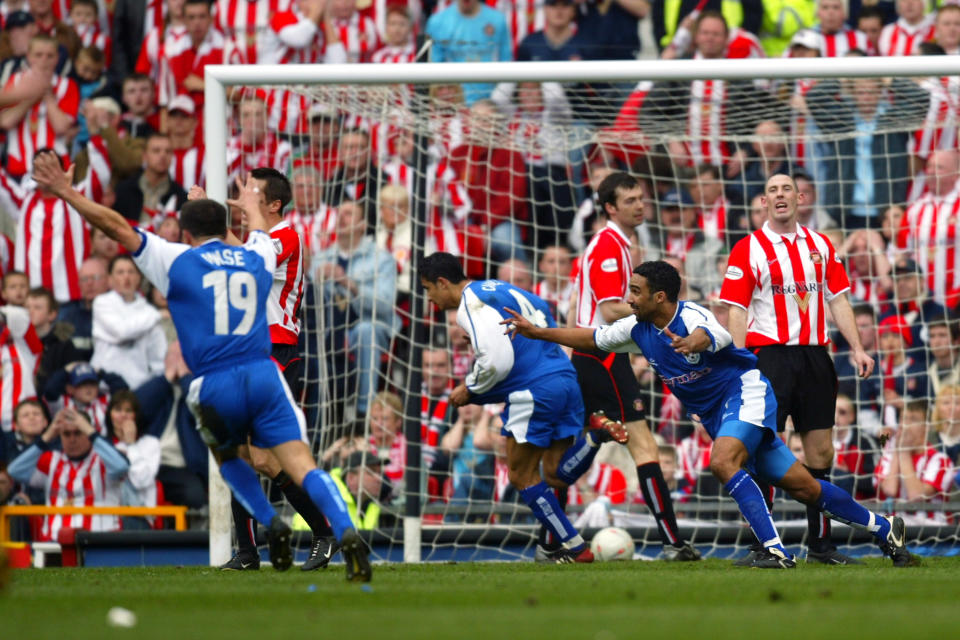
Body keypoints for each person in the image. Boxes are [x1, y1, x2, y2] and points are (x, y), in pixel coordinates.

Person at [31, 151, 371, 581]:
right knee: (272, 459)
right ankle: (284, 541)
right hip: (259, 365)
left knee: (245, 458)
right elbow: (239, 249)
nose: (241, 196)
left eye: (250, 192)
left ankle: (298, 529)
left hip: (255, 358)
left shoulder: (263, 240)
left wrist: (66, 192)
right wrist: (218, 210)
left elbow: (127, 228)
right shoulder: (256, 252)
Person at [505, 259, 917, 568]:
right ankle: (886, 529)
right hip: (719, 413)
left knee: (721, 462)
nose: (628, 298)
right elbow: (591, 337)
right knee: (805, 488)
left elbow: (715, 334)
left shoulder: (693, 316)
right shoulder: (636, 329)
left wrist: (694, 343)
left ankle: (774, 551)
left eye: (635, 291)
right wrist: (538, 331)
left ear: (659, 297)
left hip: (747, 393)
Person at [419, 251, 629, 563]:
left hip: (534, 389)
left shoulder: (471, 304)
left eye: (428, 290)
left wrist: (470, 389)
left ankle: (574, 547)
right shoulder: (498, 288)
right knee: (555, 474)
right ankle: (595, 436)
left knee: (520, 474)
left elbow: (497, 361)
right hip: (564, 378)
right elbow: (541, 313)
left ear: (442, 282)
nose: (430, 299)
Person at [721, 173, 875, 565]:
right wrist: (740, 361)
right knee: (762, 446)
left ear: (800, 197)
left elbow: (839, 300)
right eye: (772, 190)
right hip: (769, 357)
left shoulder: (822, 245)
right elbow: (736, 310)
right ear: (763, 202)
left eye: (786, 188)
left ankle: (821, 546)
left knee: (821, 449)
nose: (779, 195)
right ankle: (764, 545)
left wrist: (857, 348)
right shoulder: (748, 248)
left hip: (814, 357)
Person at [198, 168, 340, 573]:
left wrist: (210, 217)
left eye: (251, 194)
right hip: (247, 350)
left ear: (274, 204)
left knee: (262, 456)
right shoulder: (263, 240)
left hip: (276, 349)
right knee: (236, 452)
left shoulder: (288, 235)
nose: (241, 199)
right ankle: (247, 550)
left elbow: (245, 263)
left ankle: (324, 532)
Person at [573, 171, 698, 561]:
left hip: (602, 354)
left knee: (575, 443)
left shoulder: (622, 244)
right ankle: (672, 542)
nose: (640, 205)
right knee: (642, 445)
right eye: (629, 200)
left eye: (641, 198)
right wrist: (661, 321)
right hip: (601, 354)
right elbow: (611, 308)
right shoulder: (609, 246)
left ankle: (553, 540)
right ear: (610, 207)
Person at [7, 406, 129, 540]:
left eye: (78, 433)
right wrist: (47, 436)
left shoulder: (105, 460)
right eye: (66, 434)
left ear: (88, 433)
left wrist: (91, 432)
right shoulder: (51, 460)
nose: (72, 439)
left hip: (100, 542)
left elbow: (121, 467)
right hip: (54, 543)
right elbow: (14, 470)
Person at [90, 255, 167, 389]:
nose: (126, 277)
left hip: (138, 387)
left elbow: (158, 356)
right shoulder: (102, 303)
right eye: (120, 272)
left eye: (131, 272)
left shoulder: (147, 311)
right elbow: (122, 331)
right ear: (110, 279)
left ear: (138, 278)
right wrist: (157, 314)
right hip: (104, 386)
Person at [425, 0, 512, 104]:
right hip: (452, 105)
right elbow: (434, 70)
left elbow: (507, 65)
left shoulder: (497, 20)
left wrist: (494, 103)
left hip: (490, 106)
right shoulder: (437, 22)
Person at [106, 390, 160, 529]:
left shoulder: (151, 444)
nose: (123, 415)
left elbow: (142, 481)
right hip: (107, 516)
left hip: (139, 518)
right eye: (118, 410)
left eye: (128, 410)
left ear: (136, 416)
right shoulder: (103, 446)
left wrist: (130, 444)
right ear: (110, 415)